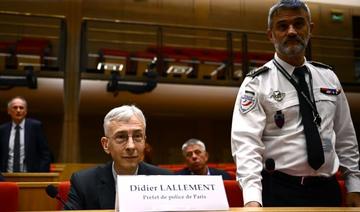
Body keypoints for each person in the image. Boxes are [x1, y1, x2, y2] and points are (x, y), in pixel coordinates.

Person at [231, 0, 360, 207]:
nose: (291, 31)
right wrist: (253, 199)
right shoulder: (256, 83)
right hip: (280, 190)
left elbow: (345, 136)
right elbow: (246, 145)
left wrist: (354, 185)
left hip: (328, 190)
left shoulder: (329, 77)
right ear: (270, 35)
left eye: (299, 24)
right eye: (282, 26)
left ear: (310, 29)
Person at [64, 105, 172, 210]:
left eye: (137, 136)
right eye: (121, 137)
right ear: (106, 144)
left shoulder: (166, 180)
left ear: (144, 140)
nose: (131, 146)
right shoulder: (84, 183)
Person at [0, 96, 52, 172]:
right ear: (9, 111)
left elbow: (45, 154)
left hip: (30, 176)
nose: (18, 110)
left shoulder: (35, 126)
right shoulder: (2, 129)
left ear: (26, 111)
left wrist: (40, 174)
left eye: (21, 108)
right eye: (15, 107)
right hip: (6, 176)